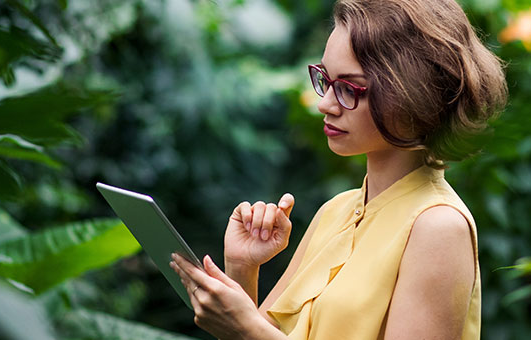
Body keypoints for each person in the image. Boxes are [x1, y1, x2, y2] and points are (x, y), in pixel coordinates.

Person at [169, 0, 507, 339]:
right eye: (325, 81)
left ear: (411, 92)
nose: (325, 104)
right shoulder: (335, 212)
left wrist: (246, 328)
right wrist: (243, 269)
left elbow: (252, 334)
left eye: (348, 88)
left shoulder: (438, 227)